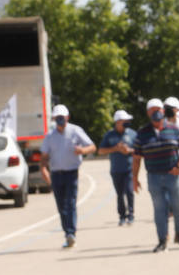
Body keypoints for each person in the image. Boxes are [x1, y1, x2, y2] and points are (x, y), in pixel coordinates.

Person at [134, 98, 179, 252]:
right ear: (148, 113)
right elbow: (137, 158)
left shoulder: (173, 129)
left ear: (163, 111)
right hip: (154, 177)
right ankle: (162, 239)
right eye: (152, 110)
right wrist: (135, 178)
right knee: (159, 209)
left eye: (158, 109)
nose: (156, 112)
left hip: (173, 175)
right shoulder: (142, 134)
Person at [40, 104, 95, 248]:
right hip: (56, 174)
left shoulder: (76, 131)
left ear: (67, 117)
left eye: (62, 117)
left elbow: (92, 146)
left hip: (71, 173)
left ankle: (71, 233)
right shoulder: (50, 137)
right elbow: (44, 157)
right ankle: (67, 232)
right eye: (57, 118)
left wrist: (82, 150)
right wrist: (44, 171)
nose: (60, 120)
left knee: (70, 203)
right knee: (61, 206)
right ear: (53, 119)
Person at [97, 109, 137, 226]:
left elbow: (140, 149)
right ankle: (122, 216)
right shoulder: (109, 135)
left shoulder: (132, 134)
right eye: (124, 121)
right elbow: (101, 150)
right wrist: (116, 148)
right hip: (116, 170)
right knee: (120, 194)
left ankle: (131, 215)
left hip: (129, 169)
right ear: (118, 122)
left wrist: (128, 150)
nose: (126, 123)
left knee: (129, 192)